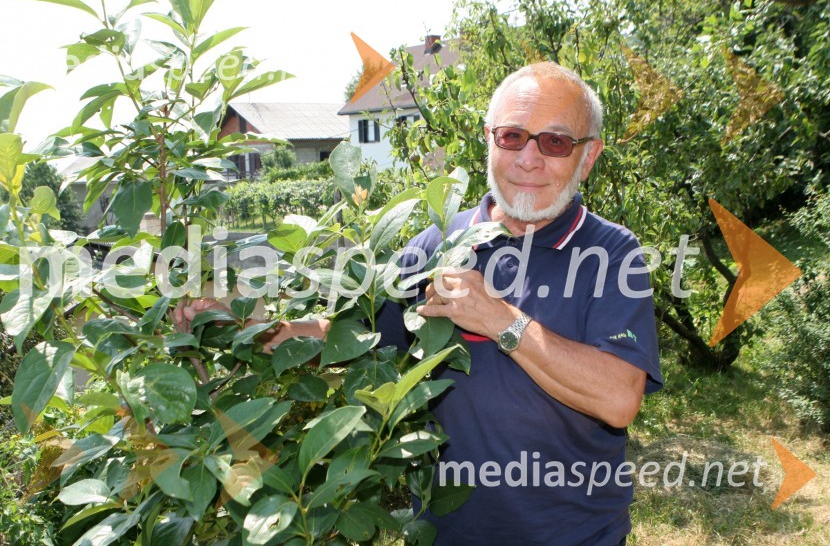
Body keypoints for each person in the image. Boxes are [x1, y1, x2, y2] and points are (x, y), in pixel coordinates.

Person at [176, 62, 663, 546]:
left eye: (554, 142)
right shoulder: (440, 244)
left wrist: (499, 319)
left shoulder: (613, 253)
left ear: (589, 155)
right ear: (488, 139)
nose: (529, 159)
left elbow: (618, 398)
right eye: (513, 136)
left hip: (574, 535)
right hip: (447, 530)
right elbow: (346, 336)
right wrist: (243, 322)